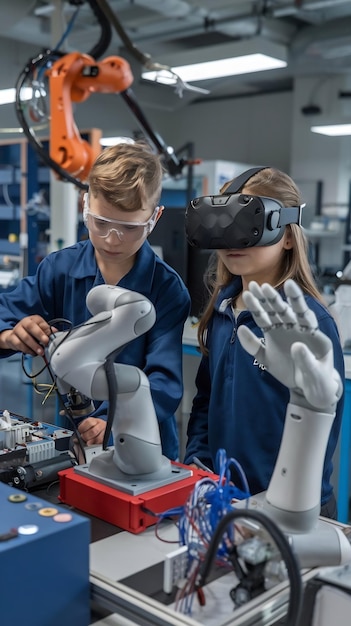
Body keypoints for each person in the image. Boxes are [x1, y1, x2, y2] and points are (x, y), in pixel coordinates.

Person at [0, 140, 191, 461]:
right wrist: (10, 334)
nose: (112, 239)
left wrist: (113, 422)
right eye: (101, 223)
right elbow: (5, 312)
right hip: (77, 438)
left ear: (155, 217)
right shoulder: (59, 269)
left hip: (144, 445)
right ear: (84, 205)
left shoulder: (167, 289)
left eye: (129, 228)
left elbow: (164, 382)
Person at [183, 166, 344, 518]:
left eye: (245, 223)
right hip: (225, 496)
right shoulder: (222, 311)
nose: (230, 241)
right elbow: (205, 401)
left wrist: (289, 502)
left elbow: (321, 431)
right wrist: (198, 465)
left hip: (290, 506)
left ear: (287, 236)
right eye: (220, 224)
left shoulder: (311, 325)